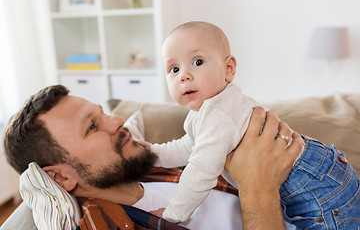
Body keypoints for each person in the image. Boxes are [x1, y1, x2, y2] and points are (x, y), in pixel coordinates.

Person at [149, 21, 360, 228]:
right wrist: (150, 153)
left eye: (197, 62)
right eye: (174, 69)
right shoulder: (204, 114)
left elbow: (201, 171)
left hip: (316, 183)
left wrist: (174, 214)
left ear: (229, 69)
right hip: (320, 173)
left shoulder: (219, 114)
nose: (184, 76)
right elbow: (188, 147)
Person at [3, 84, 302, 229]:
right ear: (61, 176)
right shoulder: (111, 223)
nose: (117, 121)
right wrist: (259, 189)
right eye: (92, 127)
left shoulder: (149, 165)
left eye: (102, 113)